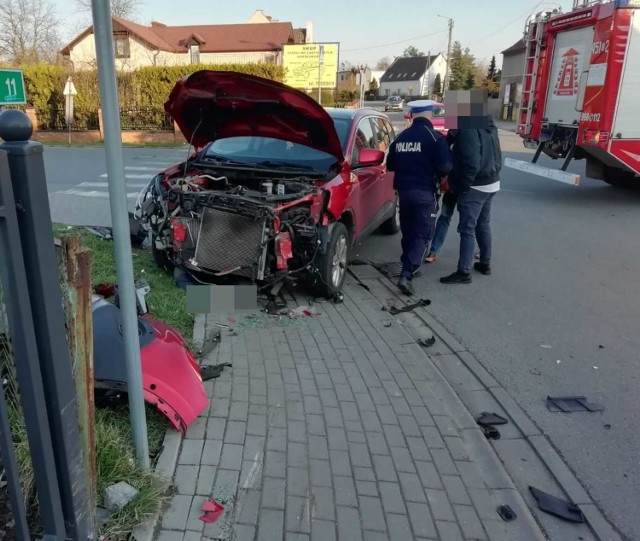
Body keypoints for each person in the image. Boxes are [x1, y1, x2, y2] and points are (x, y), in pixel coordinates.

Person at [386, 100, 452, 296]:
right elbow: (445, 167)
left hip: (404, 193)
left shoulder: (401, 138)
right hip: (425, 193)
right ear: (430, 116)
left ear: (412, 116)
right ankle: (407, 274)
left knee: (408, 230)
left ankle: (407, 263)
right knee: (422, 234)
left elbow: (390, 165)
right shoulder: (435, 138)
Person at [440, 94, 503, 285]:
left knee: (467, 229)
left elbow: (471, 161)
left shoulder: (468, 130)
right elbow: (497, 156)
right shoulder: (489, 127)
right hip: (492, 181)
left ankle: (464, 272)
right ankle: (485, 263)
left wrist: (463, 186)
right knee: (483, 224)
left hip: (474, 186)